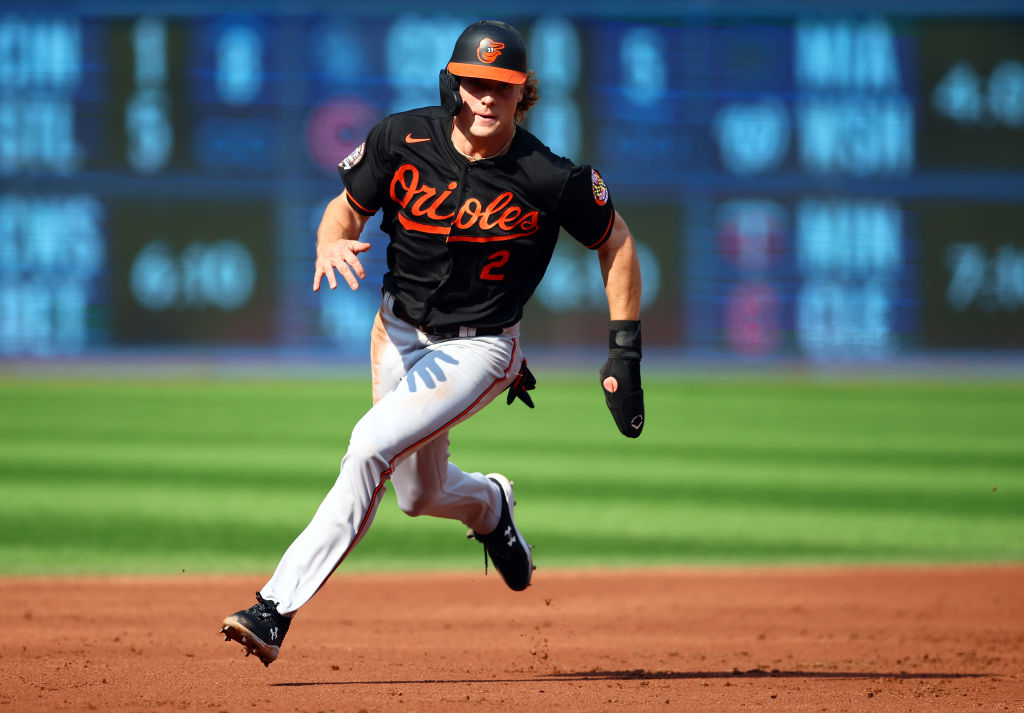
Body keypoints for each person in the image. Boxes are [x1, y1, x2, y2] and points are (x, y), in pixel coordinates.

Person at [220, 19, 645, 667]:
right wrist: (328, 239)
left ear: (523, 92)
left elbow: (615, 241)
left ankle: (274, 608)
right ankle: (491, 504)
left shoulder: (547, 177)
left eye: (500, 88)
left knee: (368, 447)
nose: (484, 98)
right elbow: (345, 207)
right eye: (473, 83)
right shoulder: (401, 138)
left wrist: (624, 350)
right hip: (396, 333)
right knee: (418, 495)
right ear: (453, 83)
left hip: (480, 350)